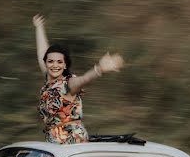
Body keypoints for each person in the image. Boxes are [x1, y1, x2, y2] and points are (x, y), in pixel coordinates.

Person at [33, 14, 124, 144]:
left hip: (71, 141)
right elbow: (42, 53)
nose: (54, 65)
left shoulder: (68, 83)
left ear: (65, 65)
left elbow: (84, 79)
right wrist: (39, 27)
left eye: (59, 62)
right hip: (54, 141)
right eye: (51, 61)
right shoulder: (49, 82)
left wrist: (99, 69)